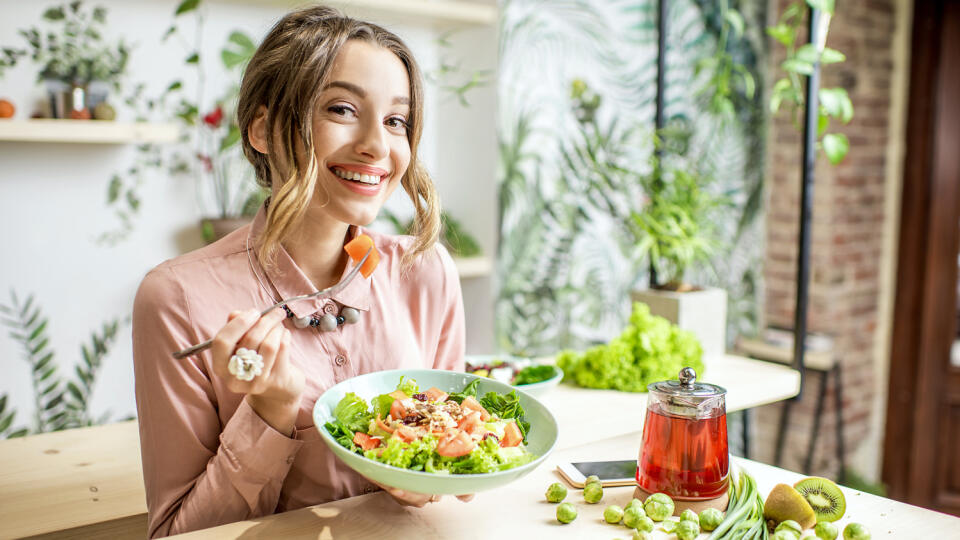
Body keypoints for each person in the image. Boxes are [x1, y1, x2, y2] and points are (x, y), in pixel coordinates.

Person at [132, 6, 467, 538]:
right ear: (263, 129)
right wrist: (270, 412)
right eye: (341, 108)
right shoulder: (176, 298)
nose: (378, 146)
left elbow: (459, 470)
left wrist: (432, 474)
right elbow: (175, 533)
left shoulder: (424, 272)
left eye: (396, 120)